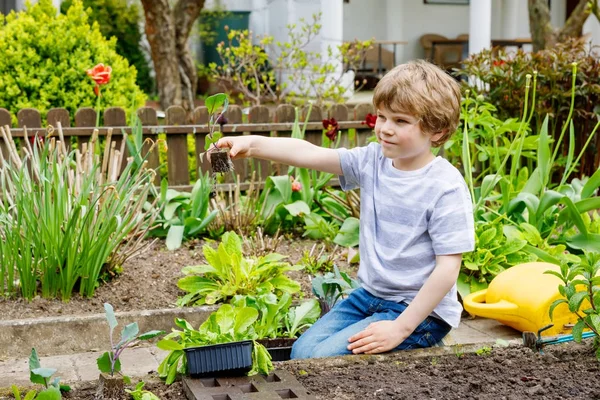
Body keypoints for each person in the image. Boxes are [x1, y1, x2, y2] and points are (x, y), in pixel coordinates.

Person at [215, 59, 475, 358]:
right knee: (303, 351)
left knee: (321, 360)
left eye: (401, 121)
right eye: (382, 117)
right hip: (370, 297)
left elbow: (447, 270)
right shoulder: (372, 161)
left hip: (419, 313)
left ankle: (418, 349)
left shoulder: (445, 186)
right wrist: (251, 144)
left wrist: (400, 329)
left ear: (437, 131)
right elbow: (310, 153)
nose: (385, 129)